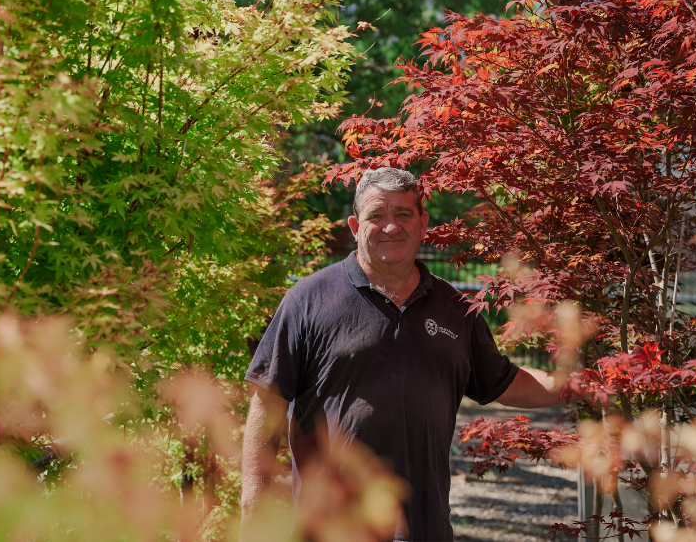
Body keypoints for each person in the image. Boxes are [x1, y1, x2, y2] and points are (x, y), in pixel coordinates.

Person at [240, 167, 567, 542]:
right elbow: (266, 403)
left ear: (423, 222)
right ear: (354, 225)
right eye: (376, 216)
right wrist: (253, 510)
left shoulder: (455, 307)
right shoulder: (309, 300)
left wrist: (589, 385)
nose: (391, 227)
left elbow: (505, 383)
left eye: (403, 214)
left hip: (424, 530)